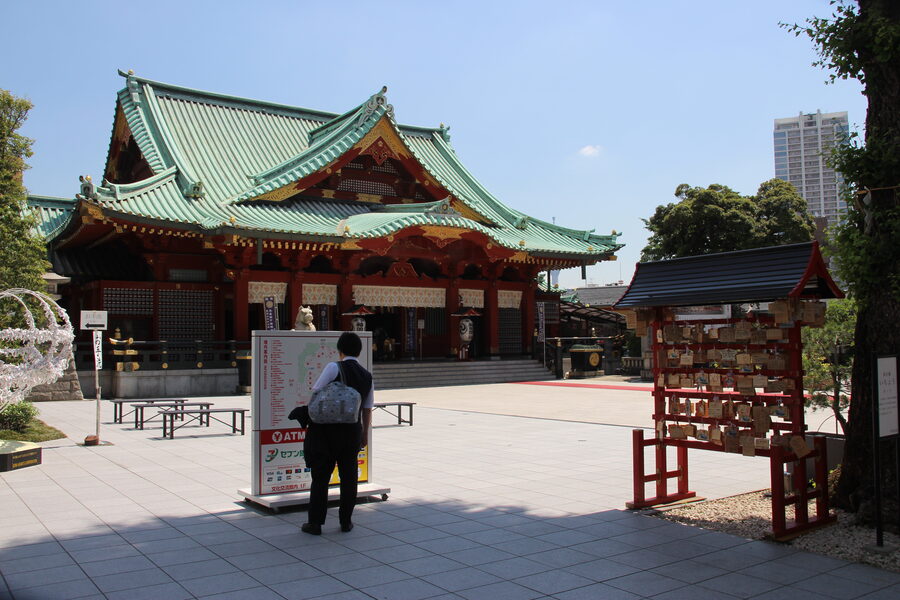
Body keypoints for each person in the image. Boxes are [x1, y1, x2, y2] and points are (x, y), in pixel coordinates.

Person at [301, 332, 373, 535]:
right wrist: (364, 435)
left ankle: (315, 523)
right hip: (352, 431)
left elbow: (316, 390)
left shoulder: (334, 367)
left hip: (325, 431)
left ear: (340, 350)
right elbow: (367, 408)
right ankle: (346, 521)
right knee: (349, 476)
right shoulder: (367, 376)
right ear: (359, 351)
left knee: (321, 476)